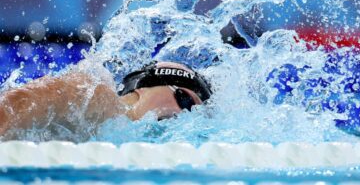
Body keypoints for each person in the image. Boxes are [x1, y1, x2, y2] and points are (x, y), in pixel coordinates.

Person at [0, 61, 212, 140]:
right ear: (143, 88)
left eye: (195, 114)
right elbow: (17, 103)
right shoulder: (96, 97)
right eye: (185, 100)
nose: (184, 115)